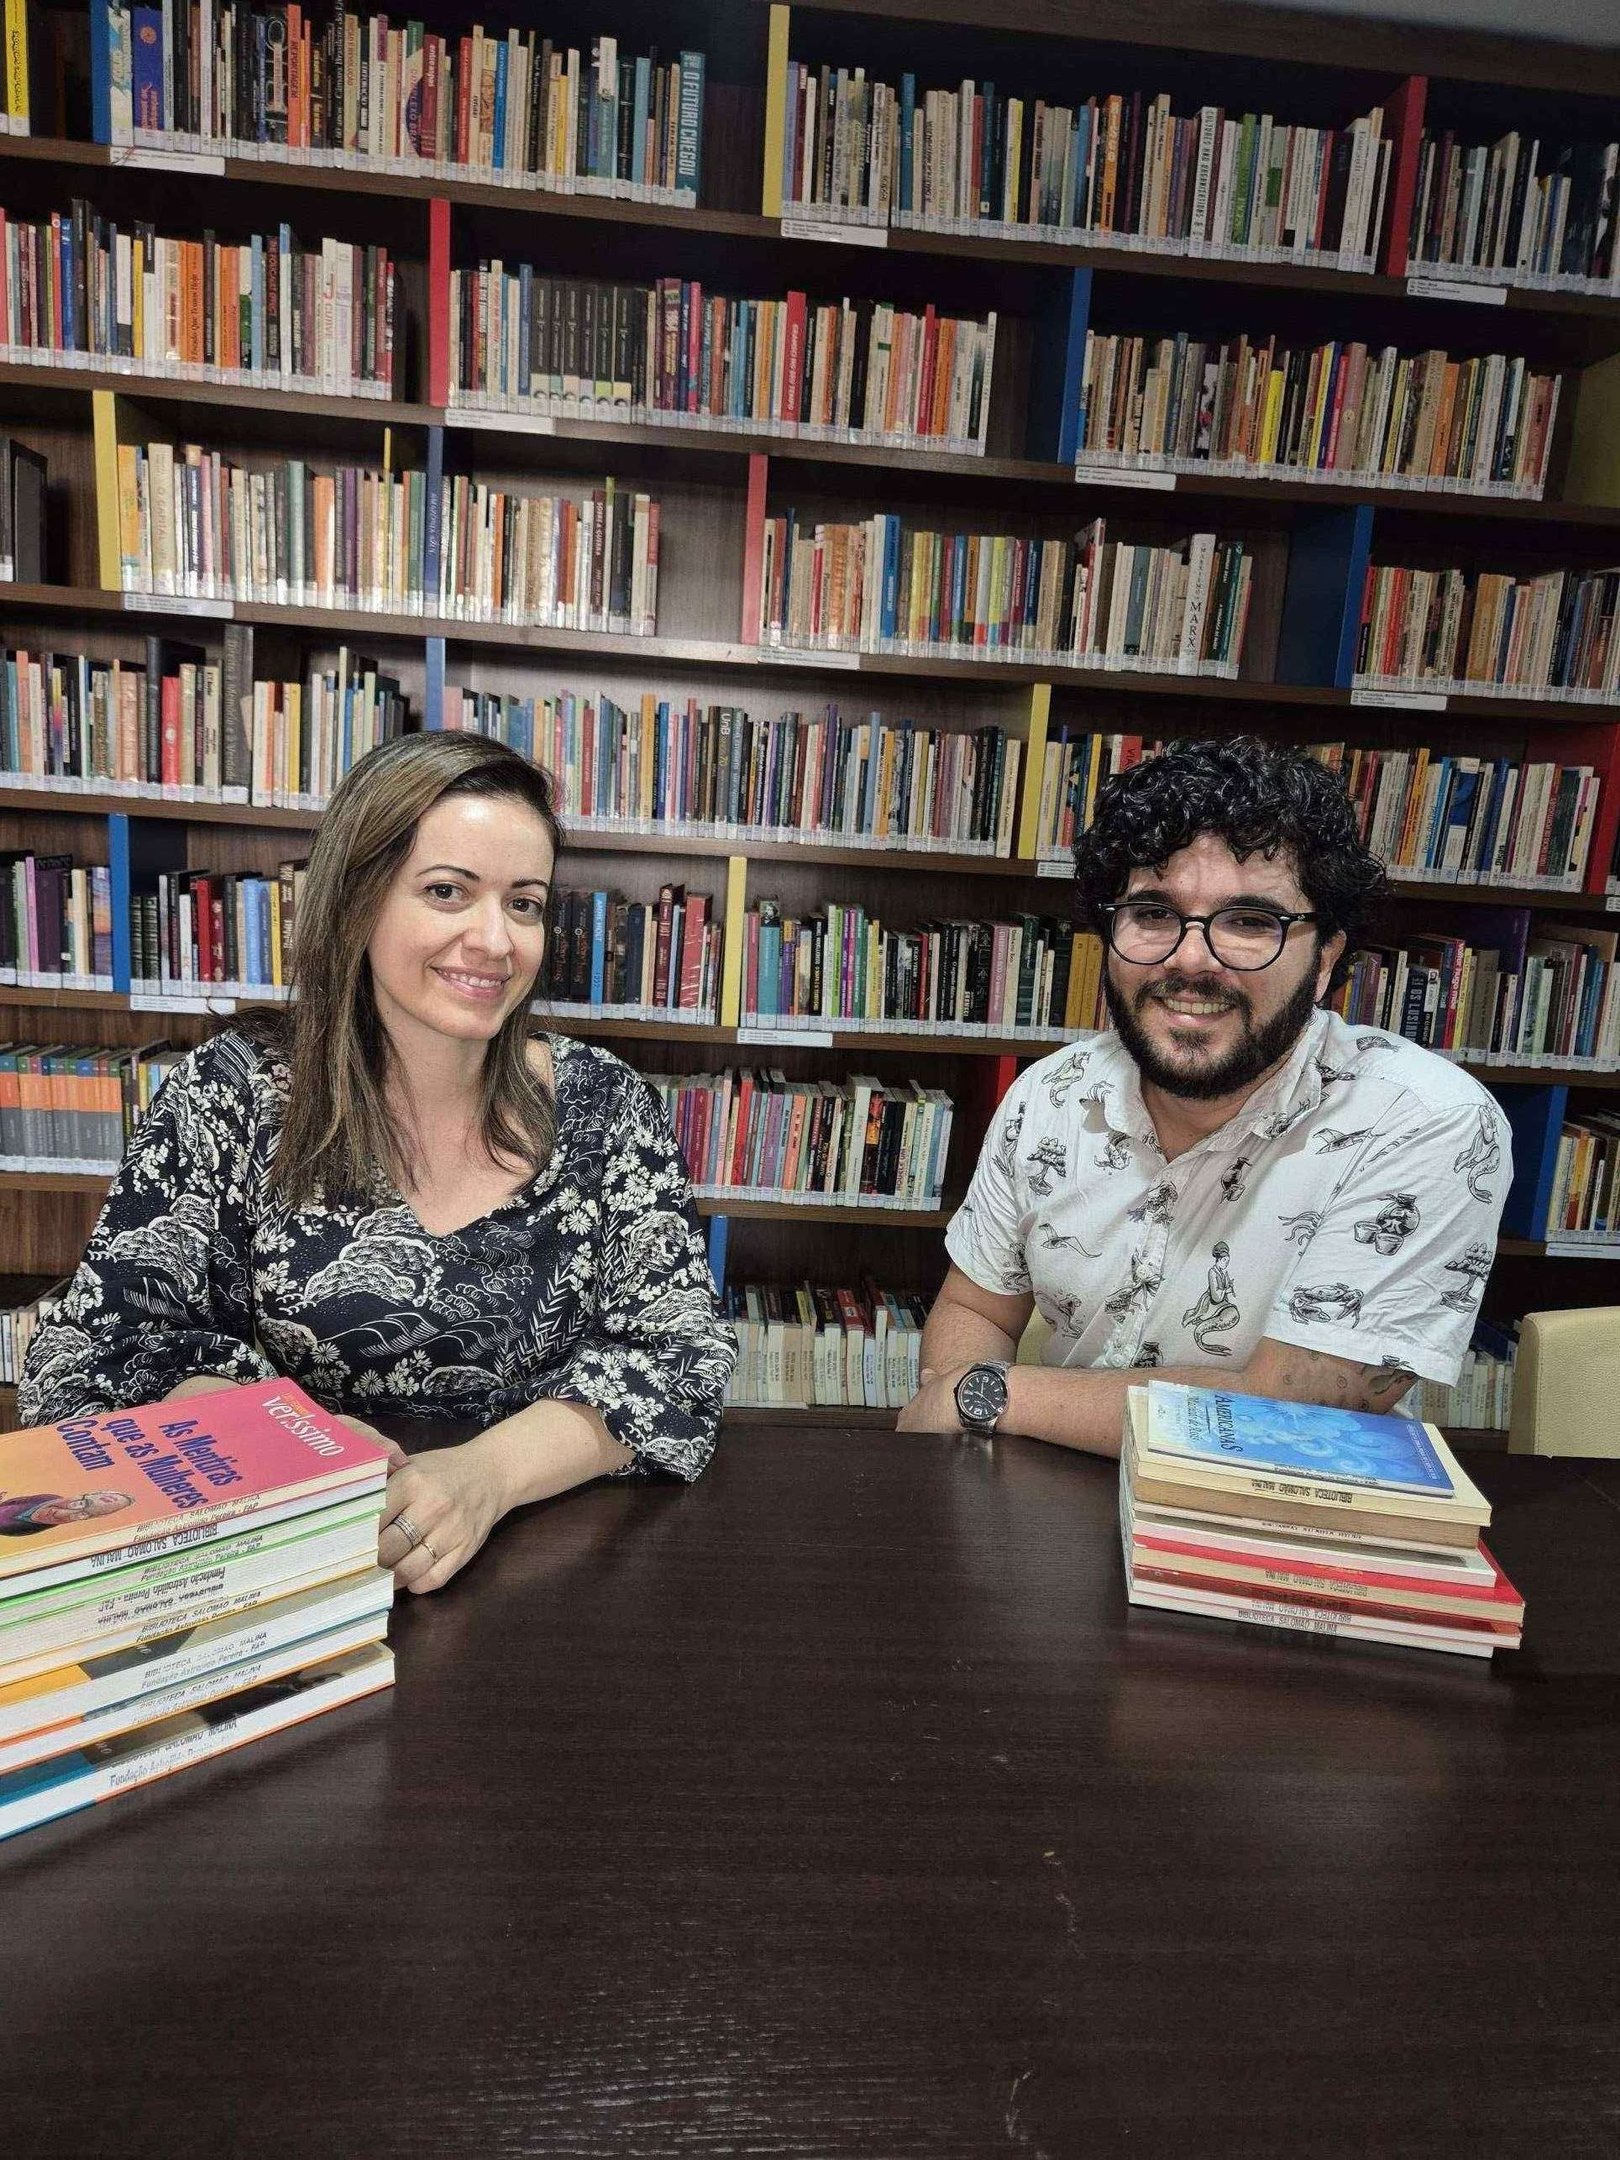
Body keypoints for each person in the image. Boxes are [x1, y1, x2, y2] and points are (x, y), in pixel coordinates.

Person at [19, 733, 736, 1592]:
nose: (495, 940)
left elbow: (677, 1360)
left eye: (525, 904)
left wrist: (487, 1476)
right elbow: (102, 1349)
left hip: (548, 1573)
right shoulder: (232, 1095)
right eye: (446, 892)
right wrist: (296, 1440)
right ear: (358, 902)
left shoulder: (606, 1106)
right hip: (286, 1560)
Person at [899, 735, 1513, 1451]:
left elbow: (1293, 1411)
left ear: (1325, 959)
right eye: (1154, 913)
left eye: (1250, 922)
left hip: (1276, 1524)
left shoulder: (1427, 1122)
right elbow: (978, 1307)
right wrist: (957, 1421)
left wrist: (984, 1396)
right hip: (1047, 1499)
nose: (1191, 959)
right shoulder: (1052, 1094)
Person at [0, 1489, 132, 1536]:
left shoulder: (29, 1531)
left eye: (82, 1515)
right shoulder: (45, 1498)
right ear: (79, 1495)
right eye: (79, 1504)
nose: (60, 1514)